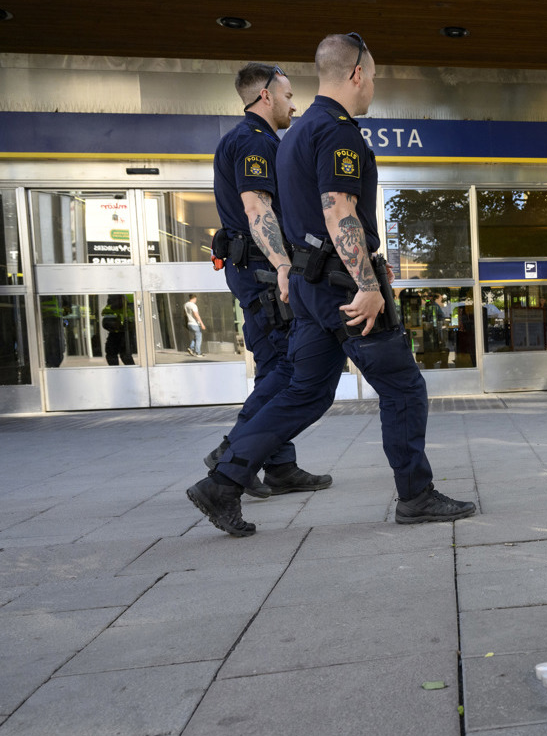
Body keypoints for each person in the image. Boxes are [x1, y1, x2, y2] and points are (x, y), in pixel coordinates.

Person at [187, 33, 476, 537]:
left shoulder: (296, 134)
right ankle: (416, 495)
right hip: (344, 287)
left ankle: (222, 480)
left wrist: (289, 269)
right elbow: (338, 208)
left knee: (306, 392)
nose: (373, 87)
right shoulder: (338, 131)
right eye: (374, 76)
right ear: (357, 72)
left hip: (308, 287)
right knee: (404, 387)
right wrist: (367, 284)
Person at [201, 61, 331, 500]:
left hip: (254, 267)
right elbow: (257, 209)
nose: (294, 105)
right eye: (289, 96)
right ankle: (232, 453)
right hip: (261, 269)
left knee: (277, 365)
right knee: (287, 365)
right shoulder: (253, 142)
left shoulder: (253, 141)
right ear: (266, 96)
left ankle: (279, 465)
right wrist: (281, 266)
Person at [102, 294, 134, 366]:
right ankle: (115, 372)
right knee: (111, 354)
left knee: (125, 355)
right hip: (114, 332)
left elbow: (134, 319)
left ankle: (132, 372)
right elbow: (106, 321)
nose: (112, 300)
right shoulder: (109, 308)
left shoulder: (129, 303)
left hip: (125, 332)